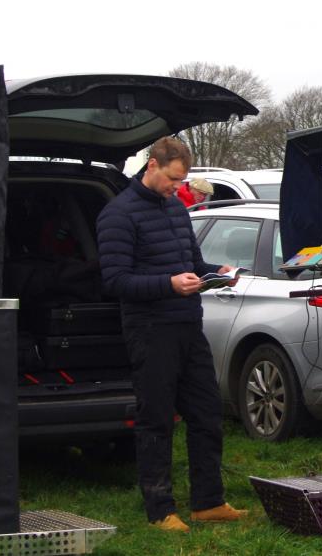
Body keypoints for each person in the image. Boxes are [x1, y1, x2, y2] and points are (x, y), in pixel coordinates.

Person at [96, 137, 248, 532]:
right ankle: (160, 509)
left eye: (181, 180)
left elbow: (192, 263)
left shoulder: (177, 210)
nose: (176, 187)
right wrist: (168, 284)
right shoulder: (118, 214)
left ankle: (208, 502)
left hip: (188, 324)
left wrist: (218, 272)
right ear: (152, 165)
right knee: (157, 419)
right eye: (172, 179)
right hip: (150, 330)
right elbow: (115, 280)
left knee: (207, 414)